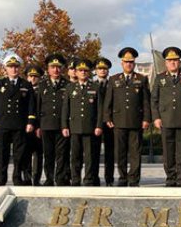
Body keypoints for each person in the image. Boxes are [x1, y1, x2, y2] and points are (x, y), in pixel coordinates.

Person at [103, 47, 151, 187]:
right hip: (118, 122)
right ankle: (123, 178)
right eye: (126, 62)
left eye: (131, 62)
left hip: (136, 122)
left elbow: (145, 101)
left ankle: (134, 179)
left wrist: (147, 119)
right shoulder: (113, 79)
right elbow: (108, 101)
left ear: (134, 63)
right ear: (122, 63)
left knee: (135, 153)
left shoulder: (141, 79)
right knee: (120, 152)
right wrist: (107, 118)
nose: (128, 64)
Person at [151, 47, 181, 187]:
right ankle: (170, 177)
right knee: (168, 151)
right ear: (165, 63)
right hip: (166, 120)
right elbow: (154, 100)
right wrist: (156, 118)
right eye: (170, 60)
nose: (173, 63)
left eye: (175, 60)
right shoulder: (160, 78)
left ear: (179, 62)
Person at [0, 55, 36, 186]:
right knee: (2, 154)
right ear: (6, 68)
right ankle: (1, 178)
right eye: (11, 67)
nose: (14, 69)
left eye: (16, 67)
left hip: (20, 125)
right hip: (3, 124)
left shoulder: (26, 85)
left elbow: (31, 106)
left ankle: (17, 177)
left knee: (19, 154)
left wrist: (30, 122)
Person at [61, 58, 103, 186]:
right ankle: (75, 179)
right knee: (75, 156)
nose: (83, 73)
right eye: (80, 70)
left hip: (90, 127)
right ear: (76, 72)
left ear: (89, 72)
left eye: (85, 70)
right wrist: (64, 126)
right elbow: (65, 108)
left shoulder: (95, 87)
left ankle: (89, 179)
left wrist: (99, 125)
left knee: (89, 156)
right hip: (74, 127)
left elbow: (99, 109)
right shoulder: (70, 87)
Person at [36, 54, 70, 186]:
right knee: (48, 154)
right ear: (48, 69)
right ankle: (49, 178)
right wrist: (38, 125)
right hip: (46, 125)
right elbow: (38, 106)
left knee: (62, 154)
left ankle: (60, 177)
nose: (56, 70)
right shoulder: (42, 85)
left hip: (62, 125)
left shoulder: (67, 85)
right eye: (53, 67)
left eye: (58, 67)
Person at [93, 57, 115, 186]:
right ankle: (94, 177)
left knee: (110, 153)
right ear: (95, 70)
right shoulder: (91, 84)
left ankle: (109, 178)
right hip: (95, 123)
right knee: (94, 151)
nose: (102, 71)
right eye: (100, 68)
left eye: (104, 69)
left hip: (109, 122)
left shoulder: (112, 83)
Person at [23, 64, 44, 185]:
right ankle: (26, 177)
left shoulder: (42, 90)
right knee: (25, 153)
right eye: (30, 76)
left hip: (38, 127)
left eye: (35, 76)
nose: (33, 79)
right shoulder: (22, 89)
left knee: (38, 154)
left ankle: (36, 178)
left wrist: (39, 126)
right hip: (25, 126)